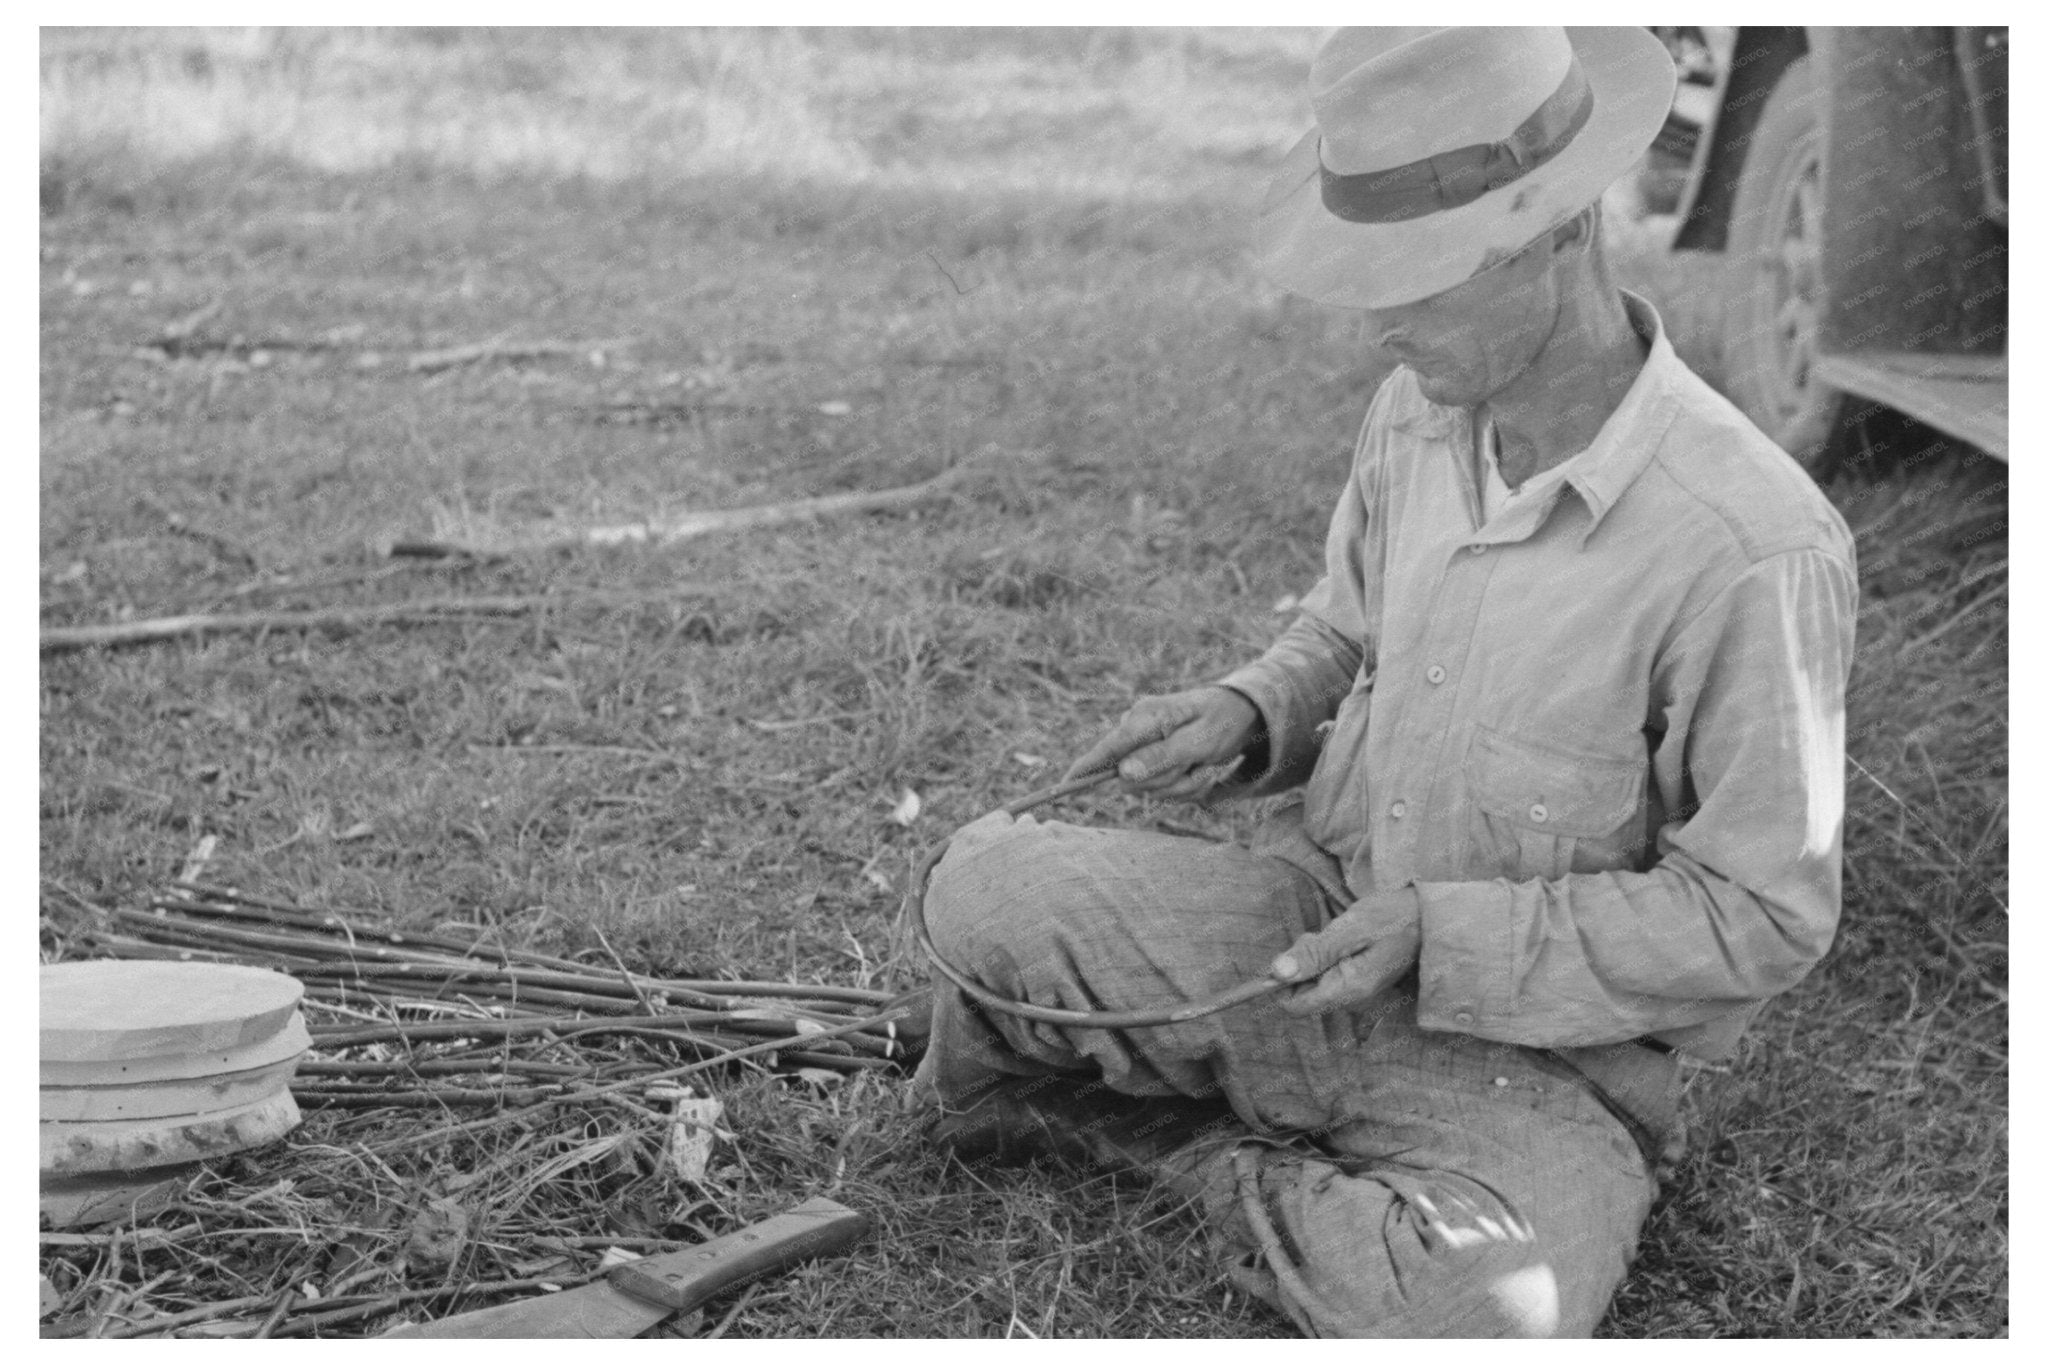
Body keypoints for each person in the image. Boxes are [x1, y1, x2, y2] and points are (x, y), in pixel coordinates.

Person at [909, 26, 1857, 1339]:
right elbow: (1344, 630)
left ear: (1563, 225)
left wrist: (1449, 934)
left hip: (1550, 1069)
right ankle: (1229, 1117)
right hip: (1304, 934)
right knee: (977, 885)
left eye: (1420, 276)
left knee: (1484, 1309)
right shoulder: (1422, 409)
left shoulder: (1753, 547)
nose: (1379, 322)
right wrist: (1253, 711)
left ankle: (1159, 1134)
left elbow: (1761, 914)